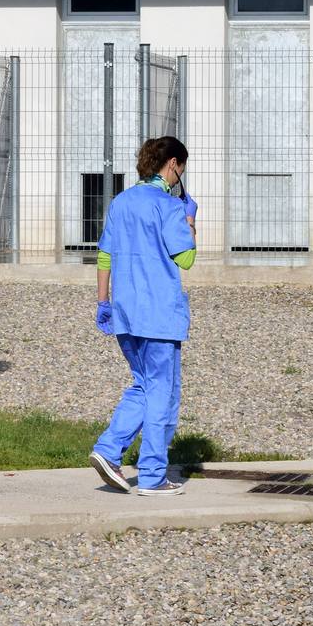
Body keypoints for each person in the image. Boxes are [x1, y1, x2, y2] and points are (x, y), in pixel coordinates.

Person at [88, 136, 197, 497]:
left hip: (125, 312)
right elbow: (186, 259)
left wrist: (103, 302)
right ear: (172, 166)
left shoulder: (120, 202)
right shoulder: (168, 206)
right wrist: (190, 222)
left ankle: (107, 449)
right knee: (162, 392)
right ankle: (152, 475)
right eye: (181, 168)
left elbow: (105, 256)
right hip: (160, 315)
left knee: (143, 384)